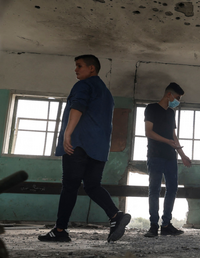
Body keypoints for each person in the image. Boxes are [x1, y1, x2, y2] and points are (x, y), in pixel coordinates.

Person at [39, 54, 131, 243]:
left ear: (91, 68)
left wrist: (67, 133)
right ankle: (115, 216)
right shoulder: (106, 93)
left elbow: (77, 107)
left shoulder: (83, 85)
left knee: (70, 186)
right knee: (92, 185)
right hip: (99, 148)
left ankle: (60, 230)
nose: (76, 69)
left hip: (79, 143)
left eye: (79, 66)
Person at [143, 82, 192, 237]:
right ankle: (153, 226)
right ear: (169, 95)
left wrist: (183, 155)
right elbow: (149, 132)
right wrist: (166, 142)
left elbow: (173, 135)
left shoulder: (171, 113)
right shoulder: (151, 108)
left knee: (172, 189)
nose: (178, 101)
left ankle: (166, 224)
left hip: (171, 157)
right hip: (155, 155)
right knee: (154, 190)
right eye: (177, 97)